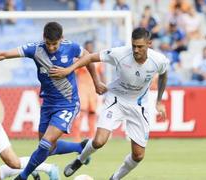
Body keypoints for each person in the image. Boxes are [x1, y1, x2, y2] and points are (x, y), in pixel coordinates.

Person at [0, 22, 106, 180]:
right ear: (43, 38)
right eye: (48, 43)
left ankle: (23, 176)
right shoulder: (35, 49)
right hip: (48, 104)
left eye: (55, 44)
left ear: (62, 39)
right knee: (48, 148)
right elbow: (3, 55)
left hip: (68, 104)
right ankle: (81, 146)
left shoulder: (71, 47)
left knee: (45, 144)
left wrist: (96, 82)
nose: (51, 47)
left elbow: (88, 58)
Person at [49, 27, 169, 179]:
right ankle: (80, 160)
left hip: (139, 105)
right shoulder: (120, 53)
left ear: (149, 44)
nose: (136, 50)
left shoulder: (158, 60)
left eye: (140, 46)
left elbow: (164, 74)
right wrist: (70, 70)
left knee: (138, 155)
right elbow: (90, 57)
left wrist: (159, 101)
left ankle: (115, 177)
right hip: (116, 99)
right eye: (134, 46)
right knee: (99, 141)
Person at [72, 40, 105, 142]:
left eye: (91, 47)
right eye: (87, 47)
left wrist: (104, 86)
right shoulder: (79, 61)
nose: (89, 49)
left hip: (93, 91)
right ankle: (77, 138)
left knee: (92, 113)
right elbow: (73, 74)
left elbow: (102, 75)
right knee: (80, 114)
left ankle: (91, 137)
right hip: (82, 90)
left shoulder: (97, 61)